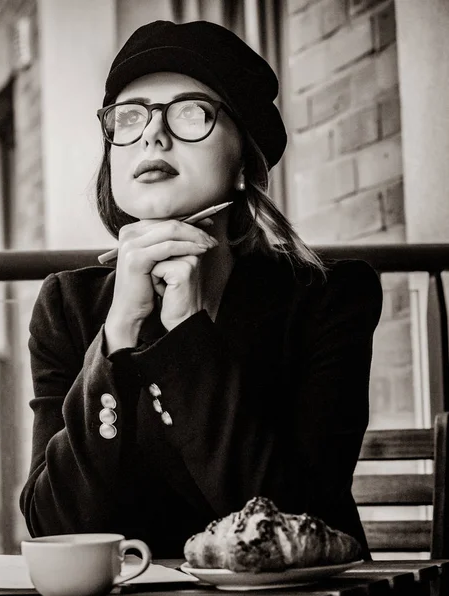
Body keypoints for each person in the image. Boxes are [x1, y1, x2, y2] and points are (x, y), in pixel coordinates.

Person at [20, 20, 383, 560]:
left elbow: (293, 521)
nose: (153, 134)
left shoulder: (327, 299)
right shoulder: (68, 307)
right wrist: (117, 337)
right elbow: (53, 528)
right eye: (130, 116)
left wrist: (185, 338)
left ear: (243, 164)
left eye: (192, 112)